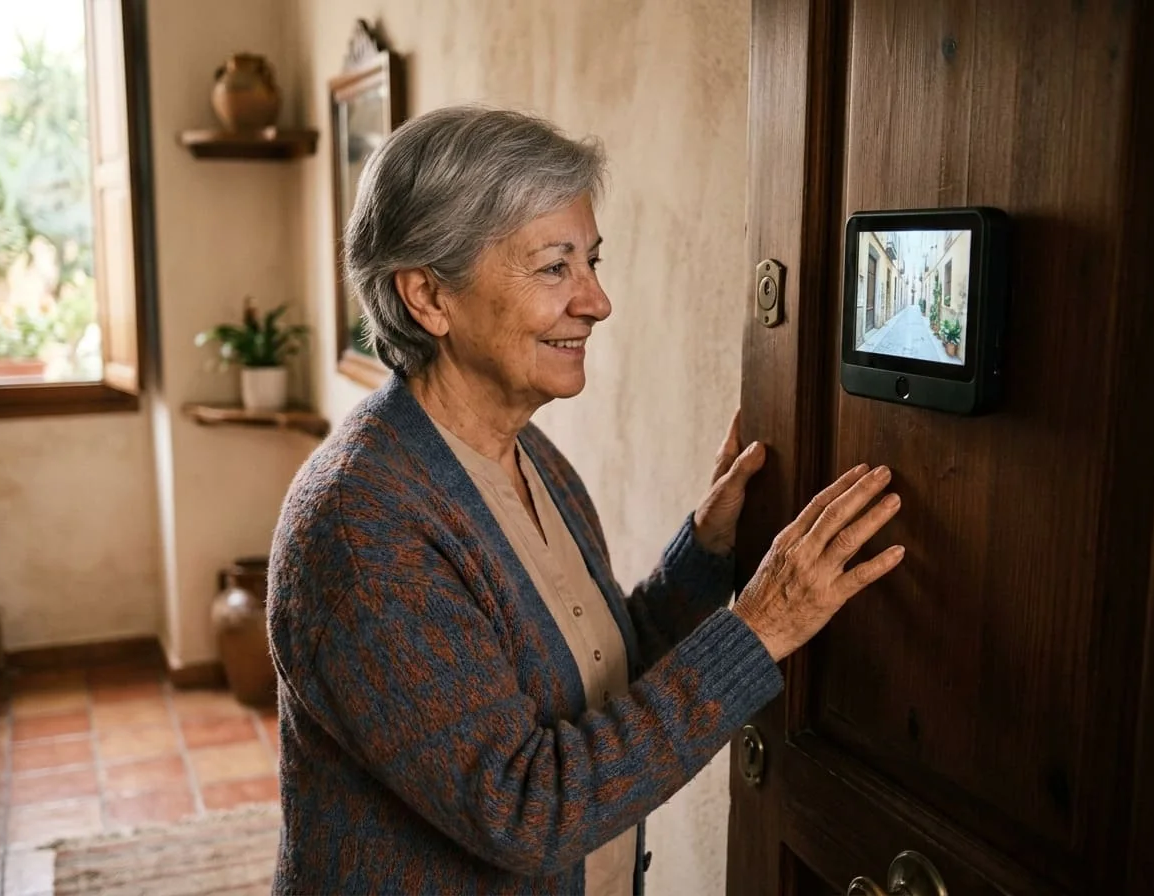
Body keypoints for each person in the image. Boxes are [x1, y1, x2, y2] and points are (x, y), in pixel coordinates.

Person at [267, 105, 904, 896]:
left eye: (593, 262)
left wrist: (706, 554)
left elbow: (597, 675)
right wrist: (760, 627)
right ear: (429, 298)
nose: (596, 301)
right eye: (554, 268)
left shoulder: (530, 454)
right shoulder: (361, 530)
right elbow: (528, 809)